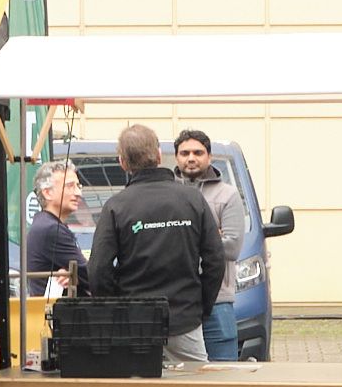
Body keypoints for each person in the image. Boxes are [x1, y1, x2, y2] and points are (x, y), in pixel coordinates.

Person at [79, 124, 222, 368]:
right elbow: (216, 261)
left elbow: (98, 269)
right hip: (186, 318)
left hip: (134, 321)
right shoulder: (192, 199)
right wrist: (200, 307)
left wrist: (118, 308)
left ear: (122, 162)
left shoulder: (116, 206)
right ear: (158, 156)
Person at [174, 130, 249, 349]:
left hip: (218, 300)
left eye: (198, 152)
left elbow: (233, 247)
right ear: (176, 157)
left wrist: (184, 239)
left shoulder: (228, 195)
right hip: (176, 300)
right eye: (185, 153)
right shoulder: (167, 194)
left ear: (209, 156)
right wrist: (211, 236)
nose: (191, 158)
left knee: (223, 373)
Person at [21, 162, 88, 293]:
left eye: (78, 186)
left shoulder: (45, 224)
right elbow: (89, 273)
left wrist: (76, 275)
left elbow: (82, 270)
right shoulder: (50, 229)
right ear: (47, 193)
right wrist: (79, 276)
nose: (78, 193)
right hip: (55, 311)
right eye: (70, 186)